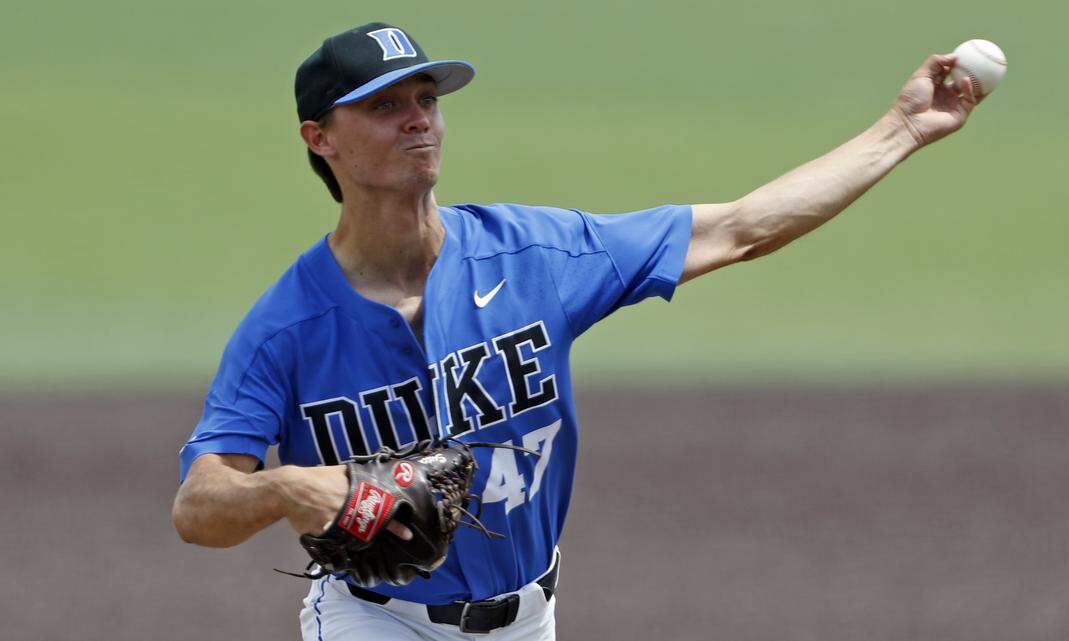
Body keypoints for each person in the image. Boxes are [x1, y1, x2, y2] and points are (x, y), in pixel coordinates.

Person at [171, 21, 980, 640]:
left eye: (426, 100)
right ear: (320, 139)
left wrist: (901, 130)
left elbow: (740, 229)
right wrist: (285, 487)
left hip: (530, 618)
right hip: (375, 622)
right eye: (384, 106)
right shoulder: (288, 325)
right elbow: (198, 505)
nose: (418, 120)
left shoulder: (535, 256)